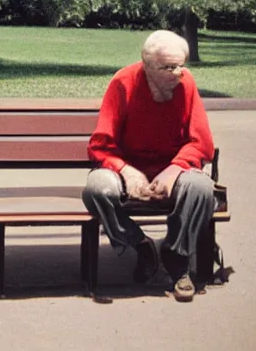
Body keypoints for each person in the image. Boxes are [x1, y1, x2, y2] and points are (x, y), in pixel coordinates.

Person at [82, 29, 216, 302]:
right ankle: (139, 245)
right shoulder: (124, 82)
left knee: (202, 187)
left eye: (181, 65)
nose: (178, 73)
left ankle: (177, 257)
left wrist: (174, 169)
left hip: (174, 169)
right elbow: (100, 144)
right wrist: (126, 172)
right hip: (127, 168)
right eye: (169, 67)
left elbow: (201, 142)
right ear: (147, 65)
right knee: (97, 189)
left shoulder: (186, 84)